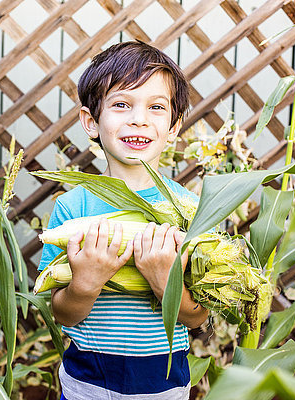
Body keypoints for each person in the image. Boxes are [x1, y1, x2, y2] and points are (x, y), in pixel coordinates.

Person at [38, 40, 209, 400]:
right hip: (87, 383)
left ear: (174, 126)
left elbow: (198, 318)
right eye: (120, 105)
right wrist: (86, 283)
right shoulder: (74, 207)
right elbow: (62, 314)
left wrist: (166, 282)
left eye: (156, 107)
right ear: (91, 122)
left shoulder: (192, 210)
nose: (139, 118)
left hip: (163, 386)